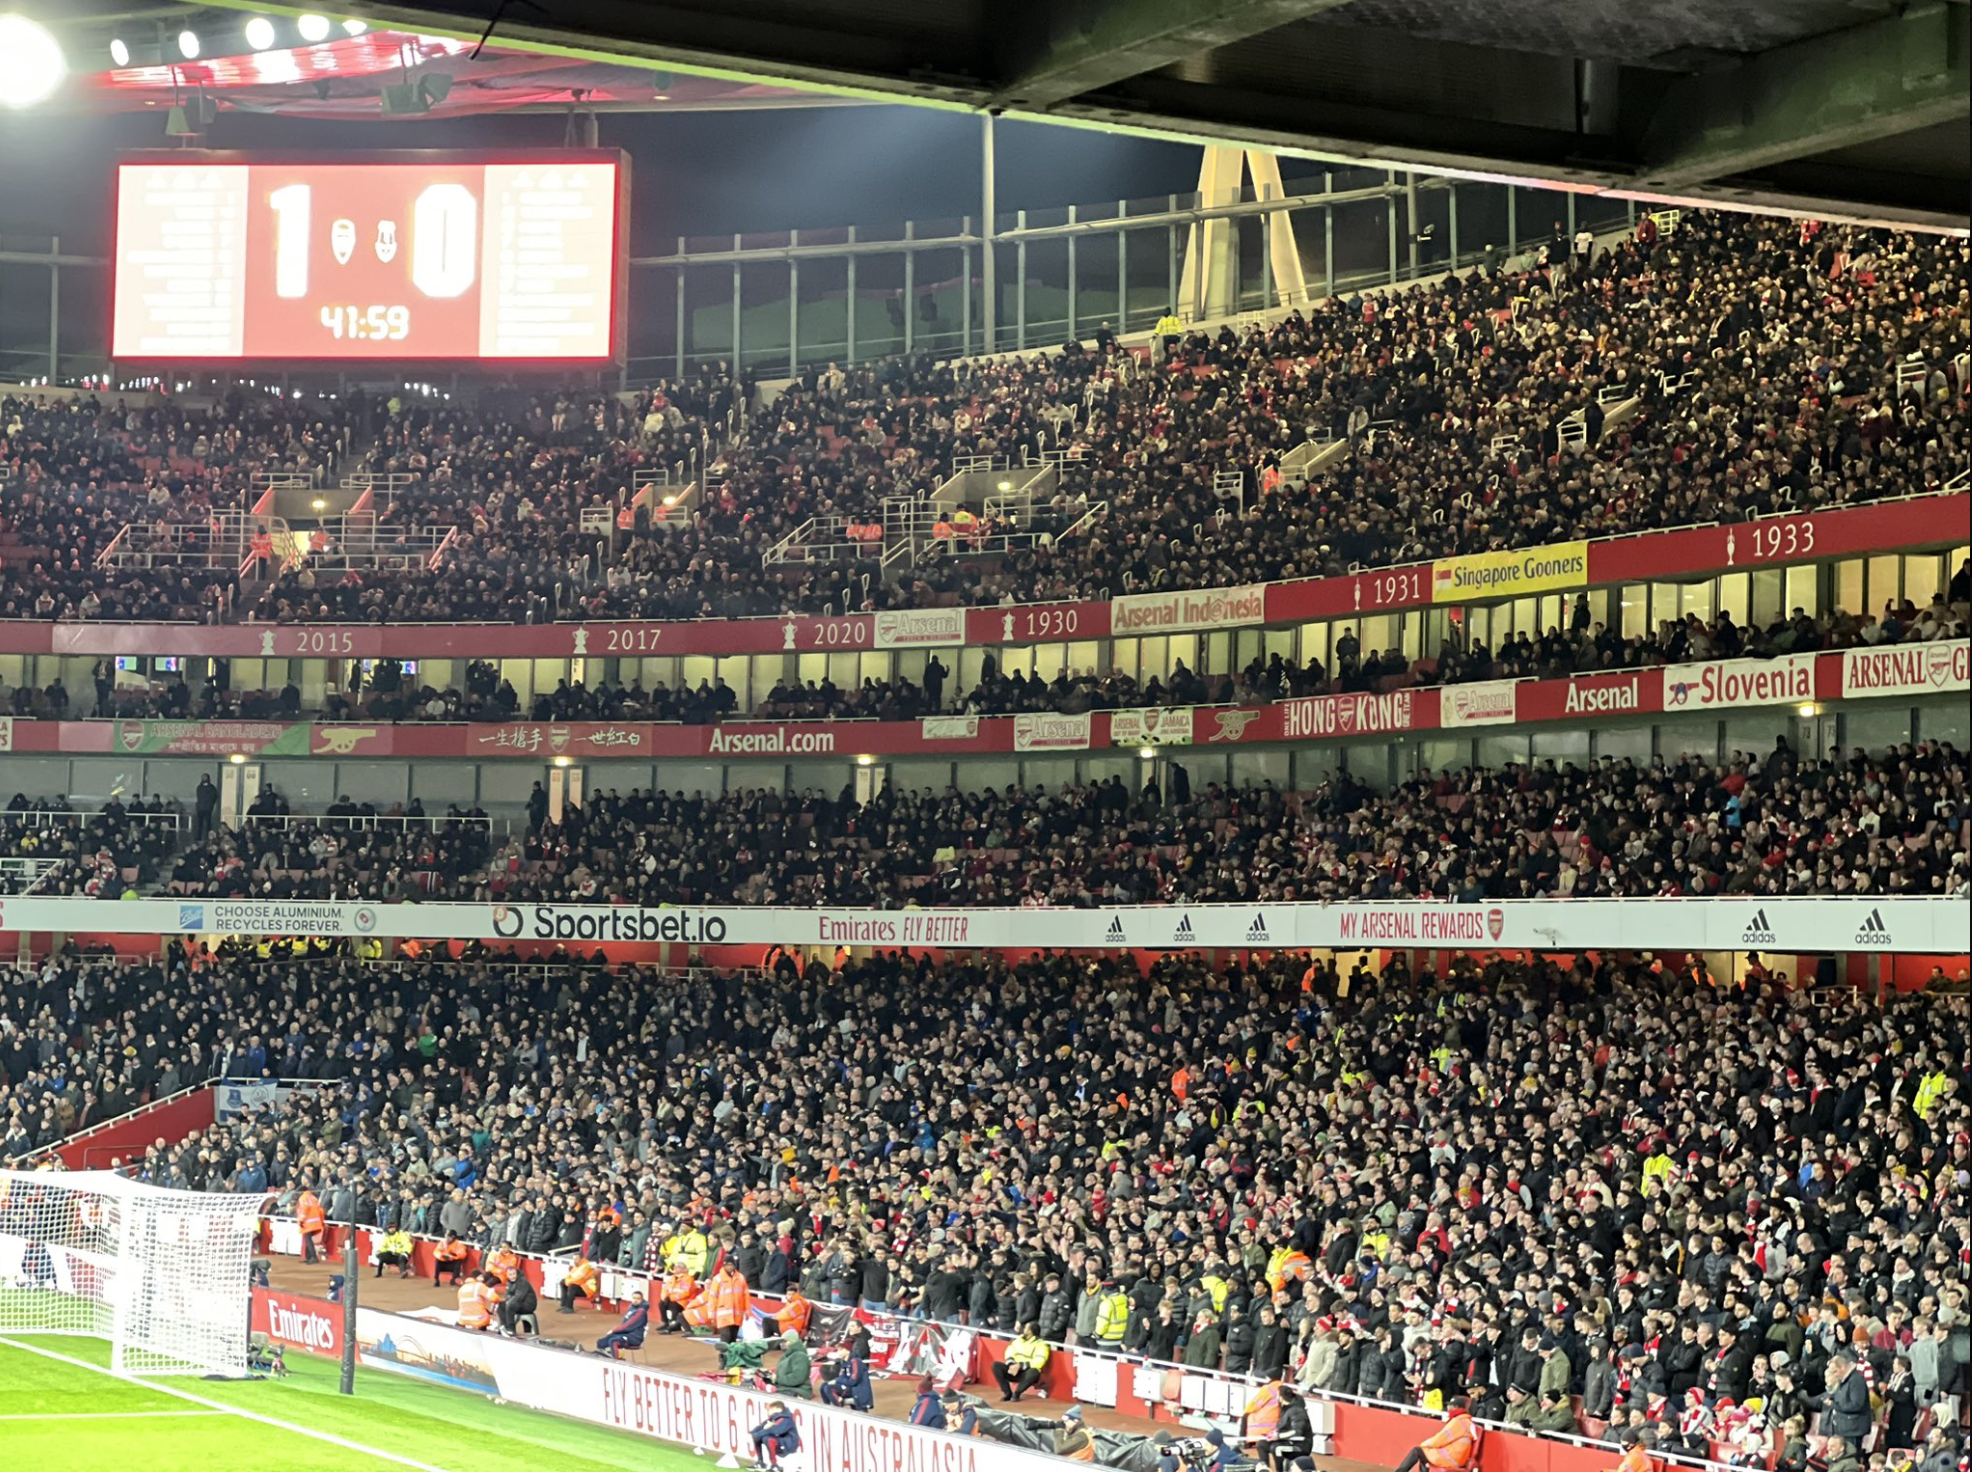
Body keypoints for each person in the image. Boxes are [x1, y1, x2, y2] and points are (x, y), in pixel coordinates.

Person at [1393, 1394, 1478, 1472]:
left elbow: (1439, 1439)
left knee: (1417, 1450)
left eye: (1451, 1406)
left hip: (1450, 1458)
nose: (1449, 1409)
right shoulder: (1466, 1421)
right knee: (1424, 1454)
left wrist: (1424, 1444)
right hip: (1457, 1458)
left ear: (1458, 1408)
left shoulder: (1458, 1422)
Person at [993, 1323, 1051, 1402]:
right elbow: (1010, 1351)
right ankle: (1007, 1392)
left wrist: (1020, 1366)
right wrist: (1011, 1364)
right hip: (1013, 1370)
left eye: (1026, 1328)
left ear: (1030, 1331)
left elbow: (1040, 1360)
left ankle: (1017, 1393)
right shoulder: (1019, 1339)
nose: (1024, 1329)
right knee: (996, 1365)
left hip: (1026, 1372)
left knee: (1034, 1371)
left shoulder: (1041, 1344)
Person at [595, 1292, 650, 1359]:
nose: (635, 1300)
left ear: (642, 1300)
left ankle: (616, 1362)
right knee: (601, 1342)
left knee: (613, 1341)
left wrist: (614, 1330)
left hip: (635, 1338)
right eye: (634, 1298)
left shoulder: (641, 1312)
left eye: (638, 1299)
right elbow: (624, 1325)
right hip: (626, 1334)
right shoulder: (631, 1308)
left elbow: (628, 1326)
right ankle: (603, 1358)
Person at [750, 1400, 801, 1471]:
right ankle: (760, 1462)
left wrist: (758, 1434)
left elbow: (776, 1430)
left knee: (767, 1439)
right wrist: (752, 1433)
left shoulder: (786, 1419)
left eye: (770, 1409)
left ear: (778, 1409)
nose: (768, 1412)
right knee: (759, 1437)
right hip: (781, 1441)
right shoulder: (774, 1418)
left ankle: (774, 1465)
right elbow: (762, 1426)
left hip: (789, 1444)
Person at [822, 1346, 873, 1410]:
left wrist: (837, 1381)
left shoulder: (856, 1361)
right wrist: (836, 1380)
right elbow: (842, 1377)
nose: (838, 1352)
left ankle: (839, 1410)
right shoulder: (844, 1362)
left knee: (829, 1388)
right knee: (824, 1385)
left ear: (847, 1350)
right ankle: (828, 1407)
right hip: (849, 1386)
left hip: (857, 1390)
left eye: (841, 1350)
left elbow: (853, 1381)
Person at [497, 1269, 539, 1336]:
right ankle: (504, 1327)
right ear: (507, 1275)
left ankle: (511, 1329)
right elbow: (508, 1295)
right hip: (518, 1303)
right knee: (501, 1305)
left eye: (514, 1274)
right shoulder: (509, 1283)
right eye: (510, 1275)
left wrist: (509, 1302)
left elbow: (519, 1297)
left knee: (510, 1305)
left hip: (529, 1304)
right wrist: (507, 1300)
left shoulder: (522, 1282)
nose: (513, 1276)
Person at [774, 1329, 813, 1400]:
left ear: (792, 1341)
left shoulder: (800, 1356)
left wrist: (777, 1379)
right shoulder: (786, 1356)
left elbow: (797, 1378)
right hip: (784, 1389)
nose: (783, 1344)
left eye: (785, 1341)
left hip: (799, 1391)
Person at [295, 1185, 325, 1265]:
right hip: (316, 1221)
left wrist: (301, 1220)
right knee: (308, 1239)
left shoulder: (303, 1198)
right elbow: (321, 1210)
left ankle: (313, 1257)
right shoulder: (313, 1197)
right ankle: (309, 1257)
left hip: (308, 1222)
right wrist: (321, 1221)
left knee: (308, 1239)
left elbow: (305, 1209)